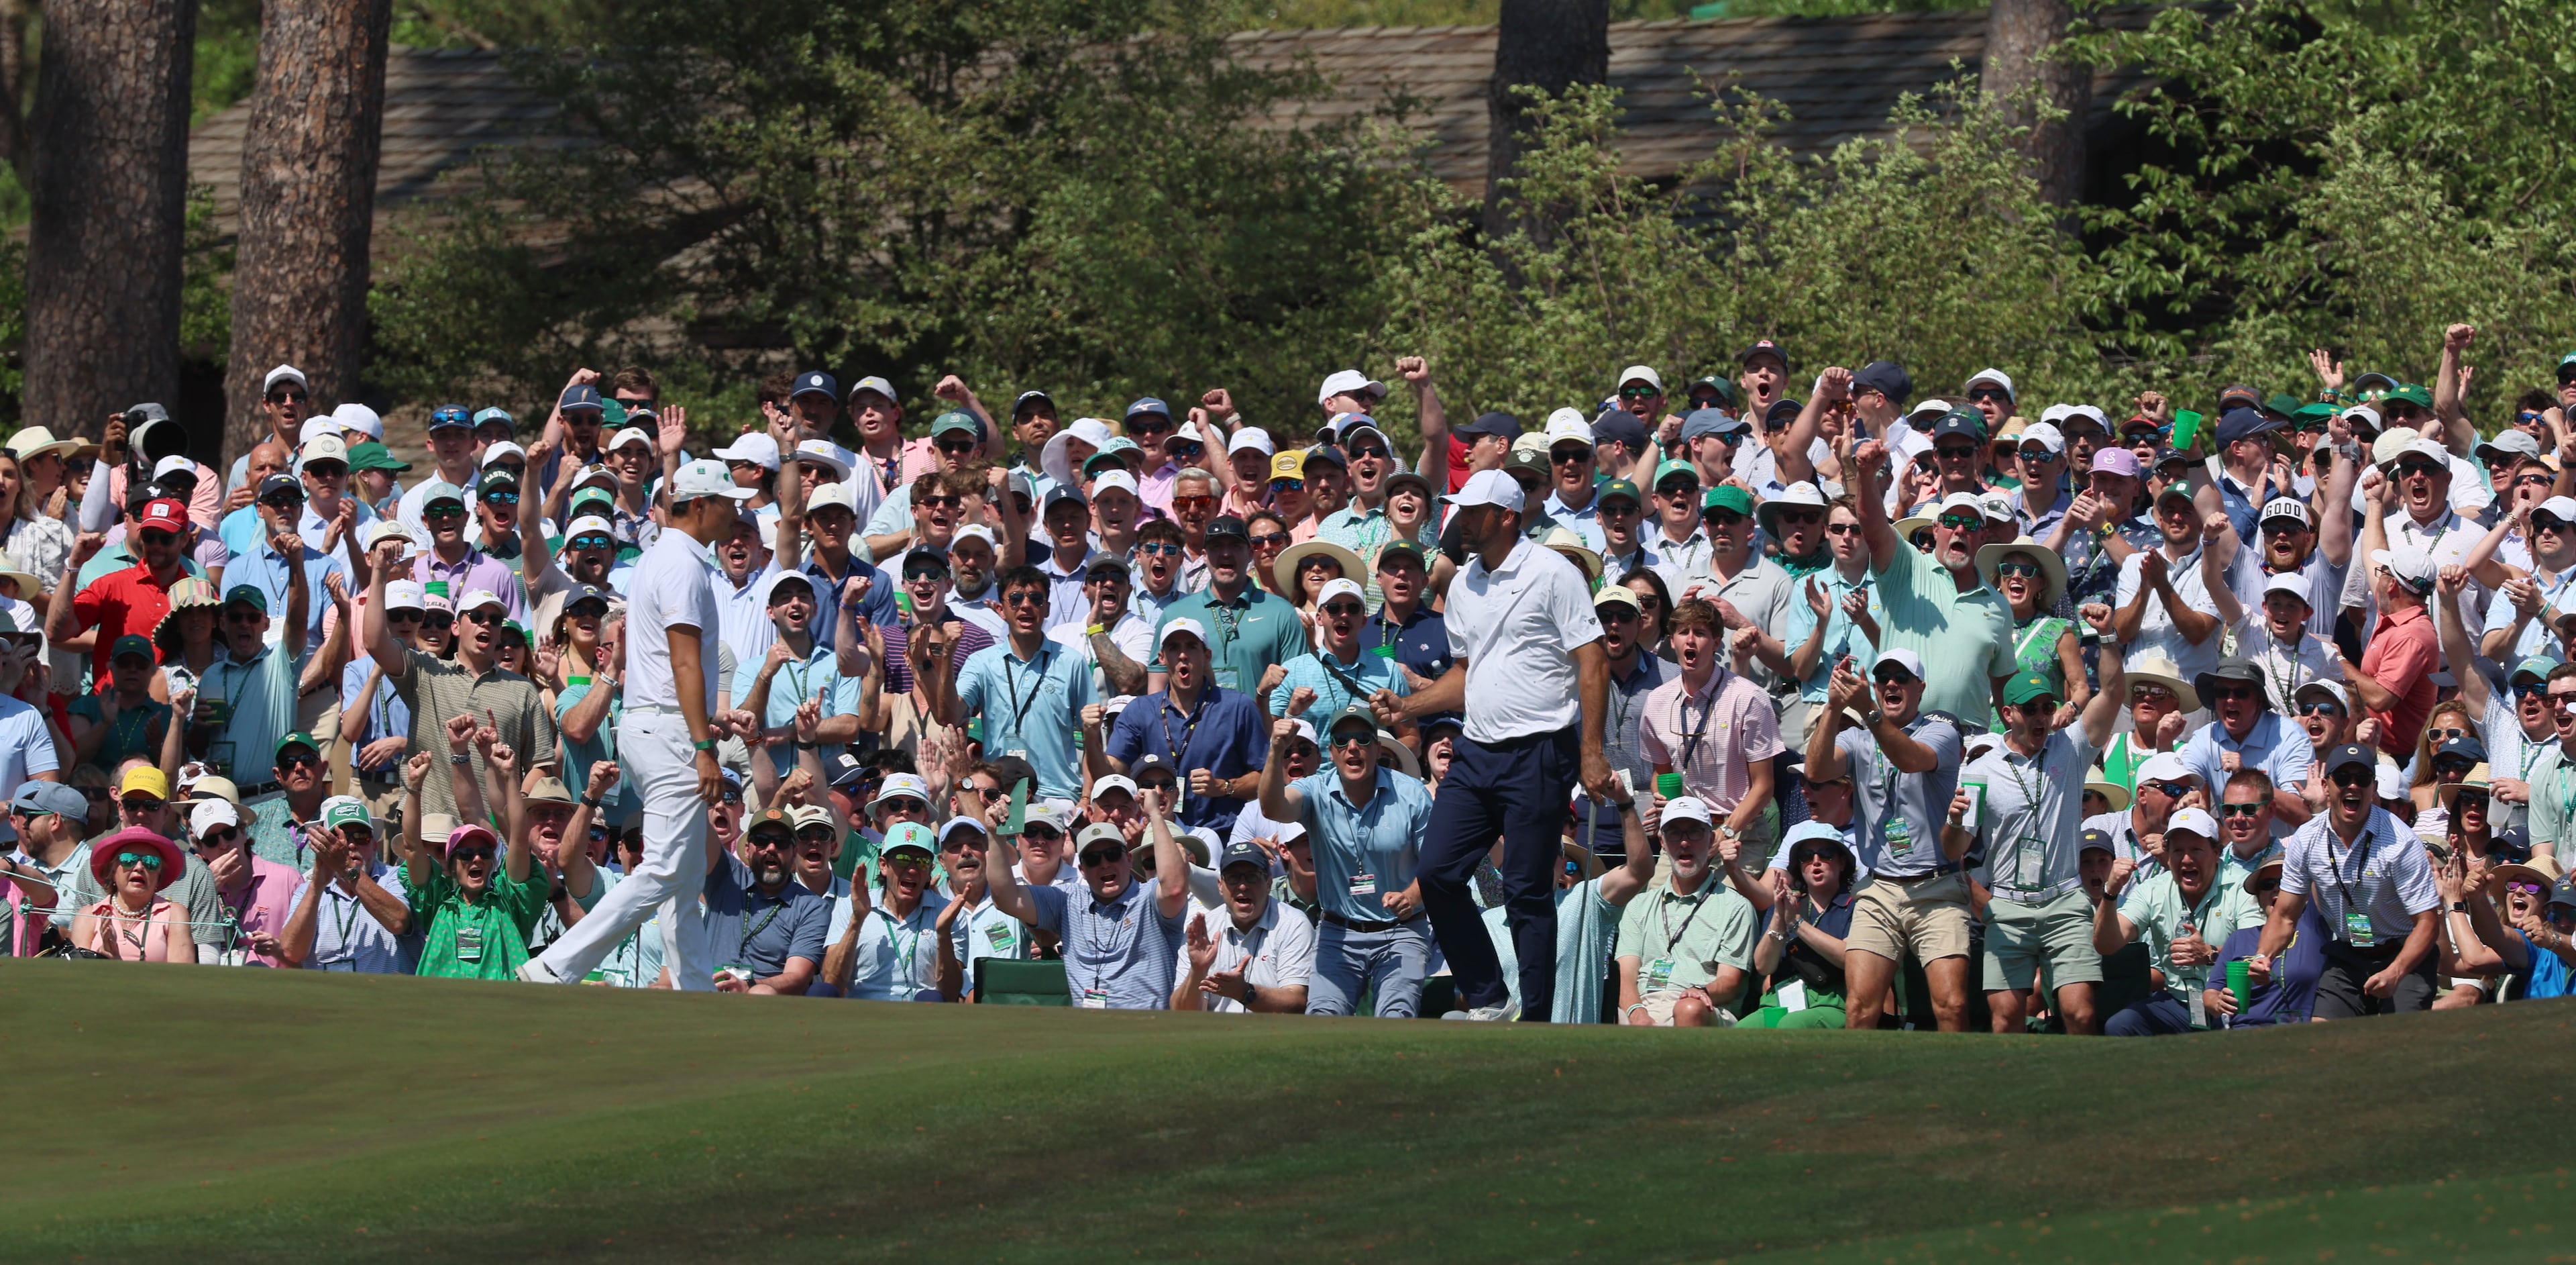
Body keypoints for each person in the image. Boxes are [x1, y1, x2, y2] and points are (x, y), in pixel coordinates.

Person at [1375, 469, 1613, 1023]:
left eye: (1472, 509)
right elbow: (1464, 673)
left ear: (1506, 516)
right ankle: (1487, 996)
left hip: (1540, 750)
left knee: (1528, 889)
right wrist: (1409, 708)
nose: (1459, 518)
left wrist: (1592, 751)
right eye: (1458, 508)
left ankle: (1534, 1021)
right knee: (1436, 873)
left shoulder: (1554, 573)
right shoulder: (1461, 585)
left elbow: (1594, 660)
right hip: (1476, 750)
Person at [518, 460, 754, 989]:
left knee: (685, 872)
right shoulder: (682, 565)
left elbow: (663, 668)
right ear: (699, 506)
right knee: (666, 867)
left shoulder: (663, 557)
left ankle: (693, 985)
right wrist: (703, 745)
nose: (736, 513)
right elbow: (685, 663)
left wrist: (715, 720)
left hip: (660, 724)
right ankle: (556, 965)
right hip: (670, 734)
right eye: (727, 502)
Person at [1954, 621, 2127, 1035]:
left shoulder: (2072, 746)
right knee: (2006, 1018)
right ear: (2007, 714)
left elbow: (2115, 693)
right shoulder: (1979, 769)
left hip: (2065, 901)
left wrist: (2105, 638)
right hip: (2009, 905)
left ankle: (2083, 1094)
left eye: (2047, 707)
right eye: (2030, 709)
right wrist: (1980, 895)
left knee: (2081, 1013)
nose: (2041, 716)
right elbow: (1956, 847)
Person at [1804, 648, 1968, 1030]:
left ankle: (1957, 1089)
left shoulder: (1940, 731)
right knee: (1860, 1008)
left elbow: (1910, 759)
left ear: (1920, 688)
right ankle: (1855, 1089)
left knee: (1952, 1007)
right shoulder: (1859, 739)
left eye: (1902, 678)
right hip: (1879, 889)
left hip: (1937, 887)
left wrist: (1869, 713)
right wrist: (1832, 707)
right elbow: (1815, 769)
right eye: (1883, 679)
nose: (1891, 684)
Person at [1258, 705, 1436, 1017]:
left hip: (1402, 931)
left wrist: (1412, 896)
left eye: (1362, 739)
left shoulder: (1412, 793)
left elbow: (1436, 865)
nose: (1352, 747)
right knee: (1322, 1019)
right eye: (1342, 740)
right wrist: (1275, 750)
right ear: (1332, 752)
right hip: (1339, 933)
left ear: (1377, 747)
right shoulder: (1314, 789)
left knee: (1396, 1016)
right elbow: (1273, 808)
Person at [2257, 742, 2442, 1017]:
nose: (2352, 786)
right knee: (2323, 1038)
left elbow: (2428, 923)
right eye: (2343, 778)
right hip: (2350, 952)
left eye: (2362, 779)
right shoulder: (2306, 840)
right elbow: (2284, 915)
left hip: (2403, 953)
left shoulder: (2401, 843)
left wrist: (2395, 972)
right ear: (2326, 785)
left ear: (2374, 788)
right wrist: (2263, 957)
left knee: (2402, 1042)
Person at [985, 789, 1188, 1009]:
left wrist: (1155, 815)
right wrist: (995, 836)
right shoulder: (1067, 900)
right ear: (1082, 869)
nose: (1104, 864)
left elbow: (1175, 888)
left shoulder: (1149, 897)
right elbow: (1006, 898)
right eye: (1093, 859)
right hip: (1088, 1030)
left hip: (1146, 1027)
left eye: (1112, 854)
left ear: (1129, 859)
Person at [1639, 598, 1782, 876]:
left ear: (1717, 643)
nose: (1691, 640)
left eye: (1700, 633)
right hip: (1682, 831)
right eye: (1683, 632)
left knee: (1725, 913)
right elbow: (1662, 773)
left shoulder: (1749, 698)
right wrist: (1660, 798)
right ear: (1672, 641)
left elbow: (1764, 787)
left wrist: (1725, 833)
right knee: (1655, 909)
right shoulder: (1657, 701)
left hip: (1738, 832)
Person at [936, 566, 1093, 803]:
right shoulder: (981, 662)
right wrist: (947, 655)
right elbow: (950, 716)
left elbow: (1091, 737)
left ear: (1047, 608)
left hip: (1057, 796)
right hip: (996, 795)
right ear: (1001, 609)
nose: (1026, 606)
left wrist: (1086, 798)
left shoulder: (1072, 662)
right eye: (1016, 599)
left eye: (1036, 599)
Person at [1098, 619, 1268, 834]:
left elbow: (1267, 779)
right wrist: (1091, 737)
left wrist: (1224, 787)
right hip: (1157, 834)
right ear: (1161, 658)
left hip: (1223, 833)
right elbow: (1112, 772)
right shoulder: (1140, 710)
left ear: (1207, 656)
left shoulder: (1238, 707)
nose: (1182, 655)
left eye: (1191, 646)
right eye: (1173, 648)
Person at [1614, 795, 1756, 1026]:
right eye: (1674, 833)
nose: (1684, 842)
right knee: (1594, 1014)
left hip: (1703, 1006)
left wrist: (1699, 992)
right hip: (1641, 1008)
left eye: (1694, 832)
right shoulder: (1638, 905)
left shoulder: (1736, 906)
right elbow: (1626, 975)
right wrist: (1637, 1013)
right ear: (1662, 841)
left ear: (1711, 839)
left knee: (1688, 1009)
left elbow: (1730, 983)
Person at [2093, 805, 2228, 1034]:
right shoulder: (2153, 890)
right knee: (2121, 1026)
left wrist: (2210, 954)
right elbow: (2107, 944)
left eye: (2196, 850)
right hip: (2178, 1003)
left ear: (2216, 852)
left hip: (2228, 1001)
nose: (2186, 859)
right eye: (2178, 851)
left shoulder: (2240, 887)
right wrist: (2111, 893)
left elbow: (2258, 952)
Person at [1154, 515, 1307, 696]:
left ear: (1250, 554)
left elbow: (1296, 685)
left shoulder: (1282, 613)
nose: (1226, 553)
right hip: (1194, 724)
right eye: (1216, 547)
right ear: (1204, 556)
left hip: (1260, 723)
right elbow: (1157, 688)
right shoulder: (1175, 614)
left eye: (1235, 546)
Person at [1174, 839, 1318, 1013]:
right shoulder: (1202, 931)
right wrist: (1197, 971)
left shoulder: (1293, 924)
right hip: (1215, 1036)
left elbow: (1297, 1000)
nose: (1242, 886)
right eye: (1233, 878)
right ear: (1220, 886)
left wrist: (1245, 992)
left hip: (1273, 1035)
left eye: (1252, 877)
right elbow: (1182, 1013)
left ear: (1268, 884)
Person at [701, 807, 829, 995]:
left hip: (765, 1005)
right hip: (707, 992)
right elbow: (699, 830)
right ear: (747, 849)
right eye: (761, 841)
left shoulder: (812, 907)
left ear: (794, 853)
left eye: (782, 843)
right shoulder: (727, 876)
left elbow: (797, 976)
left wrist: (748, 985)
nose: (771, 849)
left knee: (762, 993)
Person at [1743, 823, 1859, 1029]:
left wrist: (1796, 923)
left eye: (1826, 854)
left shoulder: (1855, 906)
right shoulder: (1785, 905)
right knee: (1741, 1033)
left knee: (1791, 1026)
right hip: (1779, 1002)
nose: (1816, 862)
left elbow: (1849, 958)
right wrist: (1780, 917)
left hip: (1831, 1003)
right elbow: (1763, 966)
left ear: (1842, 862)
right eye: (1806, 856)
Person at [276, 797, 409, 972]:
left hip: (383, 995)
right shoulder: (306, 891)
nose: (352, 844)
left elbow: (398, 922)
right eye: (341, 838)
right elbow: (291, 951)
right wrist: (316, 888)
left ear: (375, 846)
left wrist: (347, 869)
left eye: (362, 836)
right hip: (328, 996)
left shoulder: (396, 877)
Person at [2207, 860, 2328, 1027]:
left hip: (2300, 1032)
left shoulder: (2314, 925)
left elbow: (2321, 874)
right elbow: (2211, 991)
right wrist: (2218, 1002)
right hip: (2246, 1031)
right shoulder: (2239, 938)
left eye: (2285, 881)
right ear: (2258, 897)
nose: (2276, 888)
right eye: (2267, 884)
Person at [66, 826, 191, 962]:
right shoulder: (88, 916)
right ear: (112, 869)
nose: (139, 868)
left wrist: (117, 963)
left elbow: (181, 977)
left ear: (159, 874)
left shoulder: (173, 914)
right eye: (128, 860)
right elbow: (77, 977)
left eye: (151, 862)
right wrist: (102, 959)